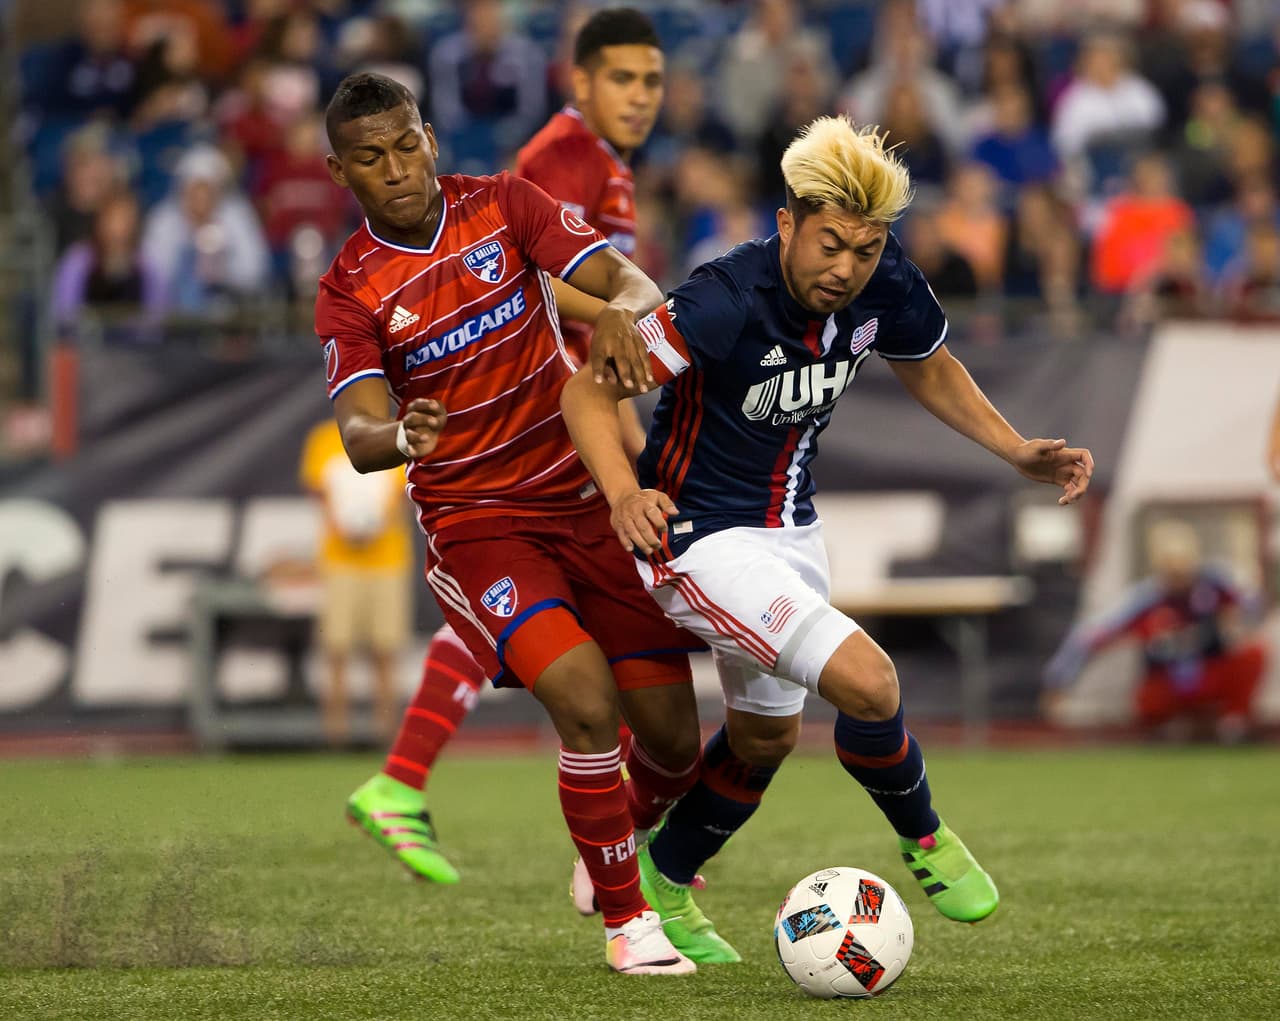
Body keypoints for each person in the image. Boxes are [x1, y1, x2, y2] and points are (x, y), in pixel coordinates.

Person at [560, 115, 1095, 960]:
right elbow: (588, 394)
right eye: (831, 244)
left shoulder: (887, 285)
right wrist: (623, 493)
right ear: (787, 224)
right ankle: (925, 836)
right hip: (697, 538)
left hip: (792, 531)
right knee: (870, 682)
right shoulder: (724, 296)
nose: (846, 268)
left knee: (766, 738)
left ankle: (662, 880)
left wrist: (1014, 447)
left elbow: (930, 365)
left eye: (867, 249)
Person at [315, 70, 705, 975]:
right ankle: (627, 922)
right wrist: (399, 431)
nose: (399, 168)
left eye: (408, 143)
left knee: (677, 745)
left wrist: (627, 316)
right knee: (584, 700)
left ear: (431, 138)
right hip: (479, 520)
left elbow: (634, 283)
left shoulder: (505, 205)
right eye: (372, 158)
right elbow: (361, 435)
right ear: (342, 173)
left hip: (586, 498)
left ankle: (601, 845)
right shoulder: (349, 289)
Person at [1043, 519, 1266, 744]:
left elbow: (1253, 604)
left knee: (1254, 653)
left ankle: (1233, 723)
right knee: (1149, 698)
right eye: (1171, 568)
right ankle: (1168, 727)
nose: (1179, 575)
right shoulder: (1145, 600)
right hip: (1168, 682)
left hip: (1210, 671)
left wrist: (1236, 620)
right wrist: (1059, 681)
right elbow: (1091, 636)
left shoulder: (1215, 584)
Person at [298, 417, 414, 747]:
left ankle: (385, 735)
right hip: (339, 562)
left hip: (387, 560)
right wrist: (343, 525)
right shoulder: (323, 438)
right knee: (336, 648)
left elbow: (404, 490)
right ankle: (335, 735)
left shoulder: (395, 434)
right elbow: (317, 489)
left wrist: (378, 522)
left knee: (386, 650)